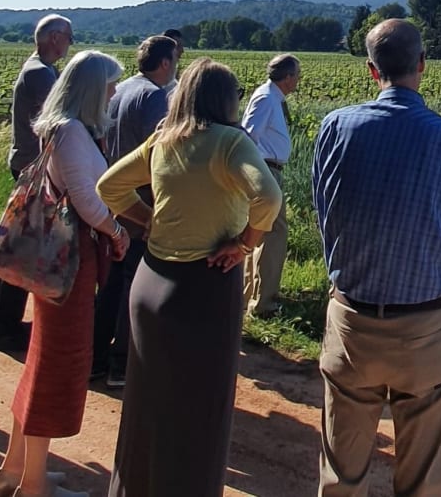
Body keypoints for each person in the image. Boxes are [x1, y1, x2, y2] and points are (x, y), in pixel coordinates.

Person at [97, 58, 281, 497]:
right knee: (200, 411)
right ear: (227, 99)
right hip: (205, 287)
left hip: (150, 281)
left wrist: (147, 221)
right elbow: (268, 197)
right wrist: (244, 243)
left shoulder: (163, 140)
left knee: (147, 405)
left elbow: (108, 187)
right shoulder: (230, 144)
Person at [312, 18, 441, 496]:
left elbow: (326, 213)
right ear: (422, 64)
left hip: (352, 320)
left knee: (341, 472)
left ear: (371, 70)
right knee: (424, 478)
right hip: (425, 327)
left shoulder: (335, 128)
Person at [0, 51, 129, 497]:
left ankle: (17, 469)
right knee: (57, 368)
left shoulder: (63, 128)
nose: (114, 93)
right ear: (93, 89)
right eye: (110, 85)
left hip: (57, 264)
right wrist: (117, 231)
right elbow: (89, 203)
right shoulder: (74, 133)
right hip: (70, 267)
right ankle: (33, 485)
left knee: (40, 361)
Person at [91, 35, 179, 389]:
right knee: (135, 284)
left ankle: (95, 357)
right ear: (164, 64)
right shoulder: (155, 97)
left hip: (114, 198)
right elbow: (161, 156)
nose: (176, 66)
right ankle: (122, 365)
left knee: (110, 283)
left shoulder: (122, 88)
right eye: (175, 59)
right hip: (139, 203)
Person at [0, 14, 73, 352]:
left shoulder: (39, 69)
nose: (69, 43)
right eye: (68, 37)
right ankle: (5, 325)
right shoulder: (40, 74)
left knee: (21, 244)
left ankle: (5, 320)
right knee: (24, 249)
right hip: (33, 167)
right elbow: (58, 119)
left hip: (27, 163)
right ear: (54, 38)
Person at [241, 54, 300, 318]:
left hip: (266, 170)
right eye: (296, 75)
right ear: (287, 77)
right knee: (274, 232)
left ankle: (251, 295)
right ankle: (264, 302)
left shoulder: (271, 96)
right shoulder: (267, 98)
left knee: (260, 232)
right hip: (266, 171)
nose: (298, 80)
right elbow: (248, 134)